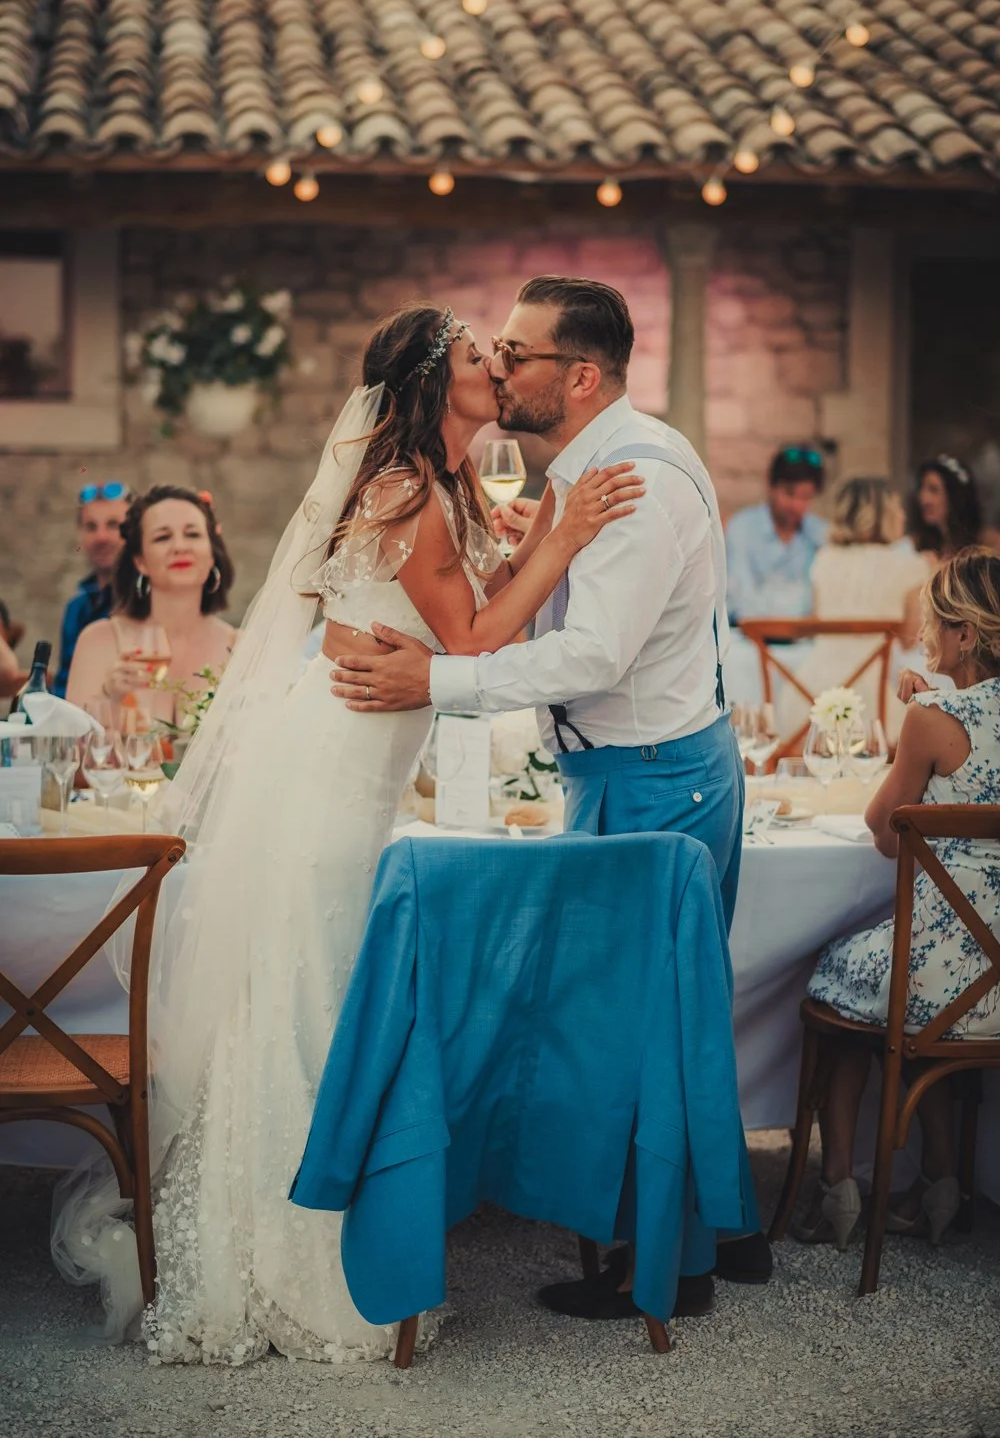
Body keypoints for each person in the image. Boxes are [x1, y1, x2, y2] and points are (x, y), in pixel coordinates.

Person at [53, 304, 641, 1364]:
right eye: (476, 358)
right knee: (311, 1001)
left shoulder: (448, 485)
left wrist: (525, 551)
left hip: (361, 770)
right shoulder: (410, 490)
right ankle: (292, 1264)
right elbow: (467, 639)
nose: (496, 369)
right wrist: (565, 535)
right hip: (330, 774)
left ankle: (328, 1237)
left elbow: (460, 621)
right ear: (434, 384)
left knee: (317, 994)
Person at [328, 275, 768, 1320]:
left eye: (516, 354)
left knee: (630, 1025)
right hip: (642, 766)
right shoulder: (596, 466)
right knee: (658, 1015)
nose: (497, 366)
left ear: (577, 376)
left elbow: (592, 656)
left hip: (651, 776)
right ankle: (711, 1234)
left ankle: (670, 1267)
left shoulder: (635, 479)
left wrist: (432, 681)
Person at [800, 548, 1000, 1248]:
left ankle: (839, 1190)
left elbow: (885, 835)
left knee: (839, 978)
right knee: (919, 1009)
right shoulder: (940, 710)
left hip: (942, 974)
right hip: (995, 979)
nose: (923, 634)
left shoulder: (932, 721)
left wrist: (918, 726)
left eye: (932, 622)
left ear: (966, 636)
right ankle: (942, 1184)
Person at [775, 477, 931, 743]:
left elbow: (816, 617)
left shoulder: (824, 559)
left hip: (811, 700)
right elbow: (910, 640)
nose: (903, 514)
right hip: (875, 707)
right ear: (884, 515)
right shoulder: (909, 565)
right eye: (897, 507)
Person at [65, 486, 237, 728]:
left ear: (211, 555)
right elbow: (71, 755)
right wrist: (110, 697)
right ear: (141, 561)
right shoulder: (98, 641)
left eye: (193, 534)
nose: (179, 546)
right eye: (162, 537)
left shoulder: (239, 648)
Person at [724, 446, 828, 625]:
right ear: (770, 487)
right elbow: (740, 600)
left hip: (806, 641)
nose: (796, 505)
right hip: (749, 641)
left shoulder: (820, 533)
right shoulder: (742, 528)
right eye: (789, 494)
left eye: (805, 497)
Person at [53, 481, 133, 697]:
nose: (101, 537)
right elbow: (63, 687)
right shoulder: (75, 609)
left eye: (114, 525)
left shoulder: (147, 601)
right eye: (91, 527)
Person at [907, 454, 1000, 560]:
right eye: (921, 489)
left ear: (955, 496)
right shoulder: (917, 543)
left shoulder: (988, 543)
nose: (923, 499)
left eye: (933, 490)